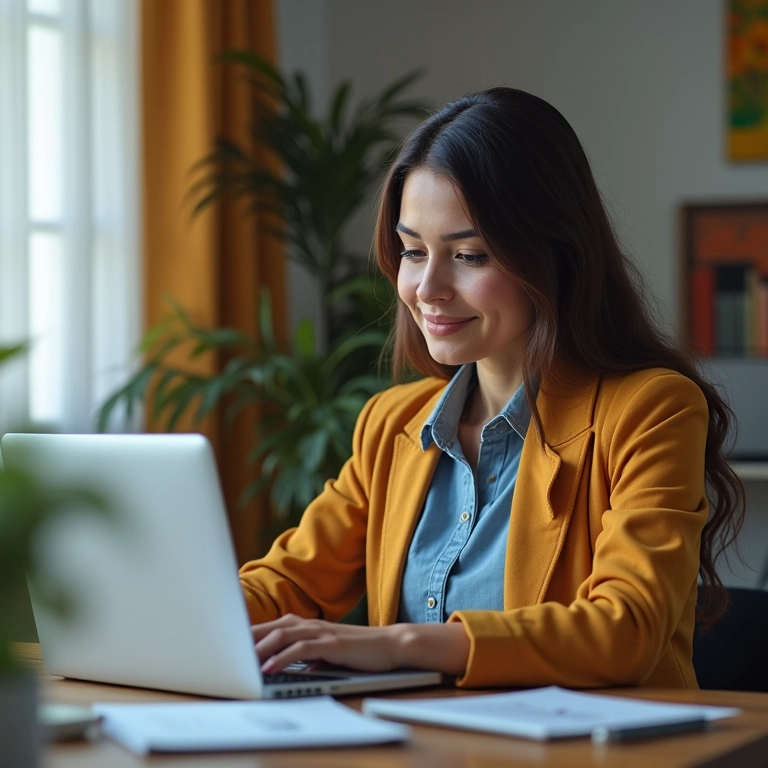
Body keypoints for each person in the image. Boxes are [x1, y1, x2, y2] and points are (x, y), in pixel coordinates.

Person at [239, 87, 744, 689]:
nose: (427, 288)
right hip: (410, 737)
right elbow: (287, 583)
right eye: (412, 251)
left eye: (470, 255)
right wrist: (174, 614)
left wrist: (399, 644)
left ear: (552, 255)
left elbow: (624, 629)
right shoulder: (390, 424)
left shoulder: (650, 410)